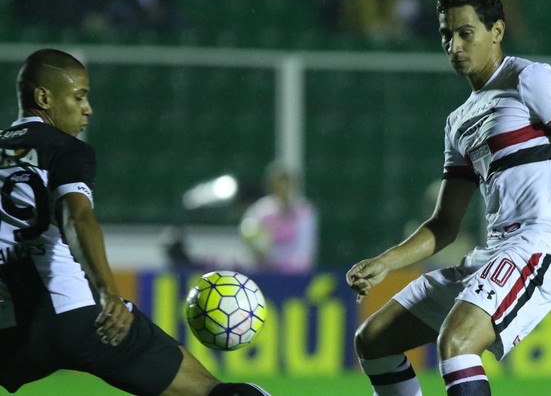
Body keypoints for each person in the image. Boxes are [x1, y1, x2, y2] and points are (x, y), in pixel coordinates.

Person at [346, 0, 551, 395]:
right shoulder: (459, 121)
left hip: (541, 245)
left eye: (466, 33)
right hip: (493, 253)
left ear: (496, 31)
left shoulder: (529, 79)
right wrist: (388, 261)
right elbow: (444, 224)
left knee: (457, 342)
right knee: (373, 341)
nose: (454, 46)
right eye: (446, 35)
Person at [0, 49, 269, 396]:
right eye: (79, 96)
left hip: (11, 327)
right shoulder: (66, 149)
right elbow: (77, 216)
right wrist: (108, 291)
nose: (88, 109)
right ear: (44, 98)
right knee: (209, 391)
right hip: (76, 314)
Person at [239, 162, 318, 274]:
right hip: (266, 272)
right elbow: (247, 232)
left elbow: (306, 247)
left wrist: (293, 267)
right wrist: (259, 252)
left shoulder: (305, 211)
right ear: (271, 184)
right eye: (279, 183)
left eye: (287, 182)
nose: (283, 187)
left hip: (296, 273)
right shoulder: (261, 209)